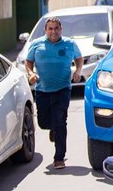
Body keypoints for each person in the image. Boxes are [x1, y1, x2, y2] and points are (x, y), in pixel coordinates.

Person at [25, 17, 82, 170]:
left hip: (63, 89)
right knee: (43, 123)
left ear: (60, 29)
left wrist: (78, 71)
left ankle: (59, 158)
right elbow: (28, 61)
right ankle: (53, 129)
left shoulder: (69, 44)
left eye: (56, 28)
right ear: (45, 30)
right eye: (50, 29)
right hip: (43, 90)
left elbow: (79, 58)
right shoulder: (36, 44)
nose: (53, 31)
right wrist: (30, 73)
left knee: (61, 122)